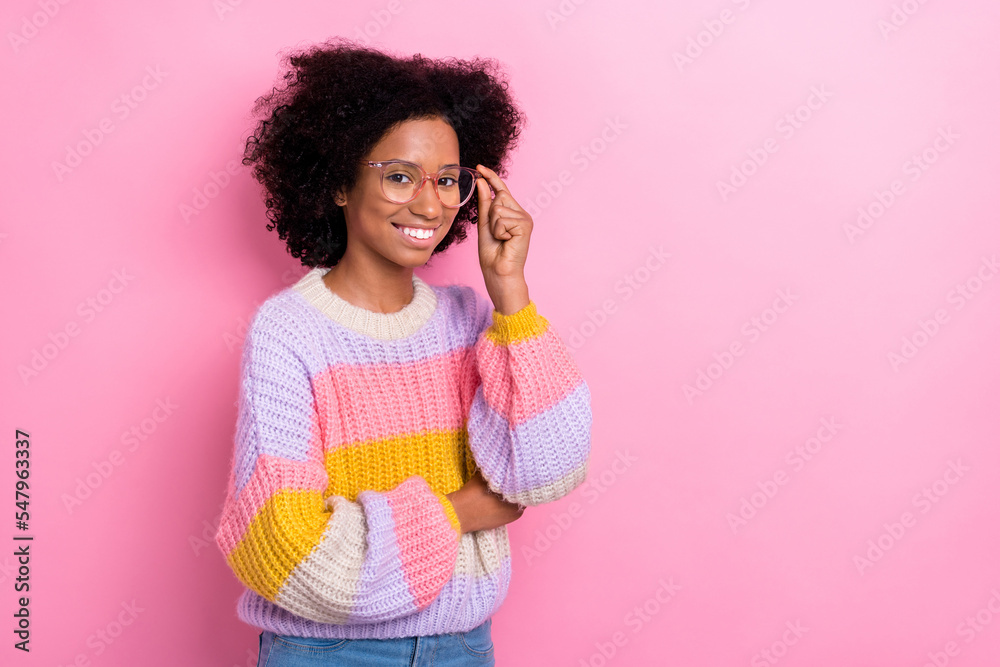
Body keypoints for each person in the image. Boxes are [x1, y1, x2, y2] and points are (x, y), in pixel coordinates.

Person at [214, 37, 593, 666]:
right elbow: (287, 550)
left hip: (463, 648)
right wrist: (460, 511)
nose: (429, 203)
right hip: (327, 654)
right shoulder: (288, 333)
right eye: (399, 176)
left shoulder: (473, 319)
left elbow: (545, 471)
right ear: (337, 183)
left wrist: (511, 295)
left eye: (448, 180)